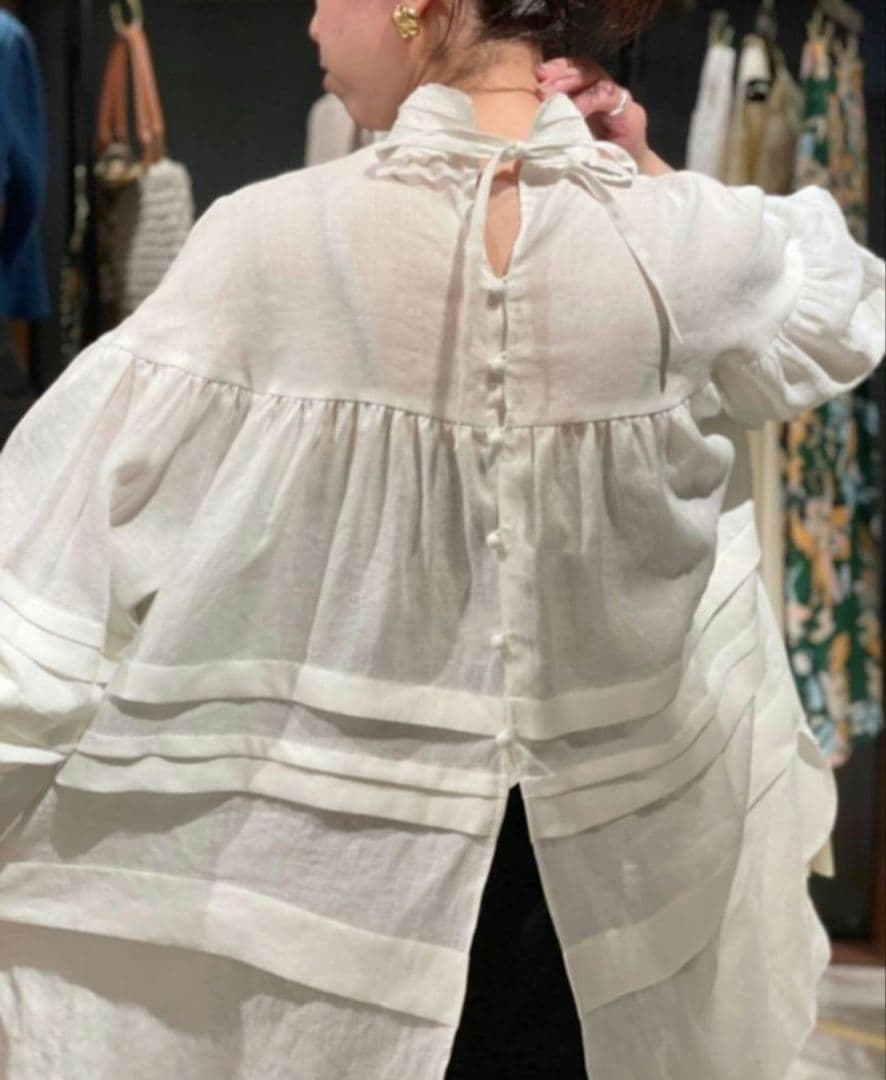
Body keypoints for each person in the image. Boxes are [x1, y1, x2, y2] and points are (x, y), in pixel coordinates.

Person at [0, 0, 884, 1077]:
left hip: (328, 904)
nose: (312, 23)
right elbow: (839, 304)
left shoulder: (266, 242)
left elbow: (54, 550)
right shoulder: (689, 242)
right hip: (607, 898)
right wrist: (649, 172)